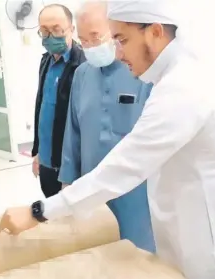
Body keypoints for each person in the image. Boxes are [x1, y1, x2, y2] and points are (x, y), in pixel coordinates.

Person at [0, 1, 215, 279]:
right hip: (186, 223)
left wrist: (39, 211)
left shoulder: (184, 85)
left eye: (121, 40)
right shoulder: (168, 76)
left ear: (155, 32)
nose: (118, 53)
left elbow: (126, 165)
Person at [58, 1, 155, 252]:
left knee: (138, 254)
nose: (90, 46)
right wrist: (68, 182)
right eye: (83, 40)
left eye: (96, 37)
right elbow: (73, 133)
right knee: (99, 253)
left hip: (137, 191)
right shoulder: (81, 75)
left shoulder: (142, 73)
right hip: (92, 188)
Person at [31, 4, 86, 198]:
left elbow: (83, 122)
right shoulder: (45, 61)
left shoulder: (84, 65)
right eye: (44, 31)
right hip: (46, 162)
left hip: (70, 167)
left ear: (71, 29)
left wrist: (72, 171)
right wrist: (37, 152)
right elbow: (42, 108)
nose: (50, 36)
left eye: (56, 29)